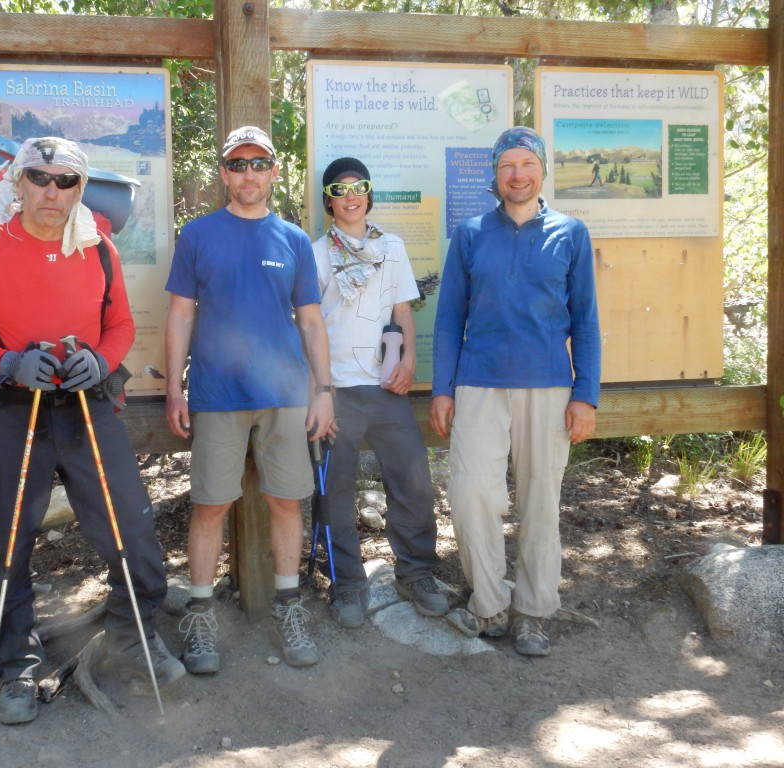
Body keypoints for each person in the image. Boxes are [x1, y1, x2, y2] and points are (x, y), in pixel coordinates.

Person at [0, 137, 184, 725]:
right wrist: (6, 362)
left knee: (130, 525)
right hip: (10, 407)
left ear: (80, 188)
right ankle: (15, 662)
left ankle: (131, 635)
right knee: (11, 539)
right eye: (40, 178)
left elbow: (120, 323)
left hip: (85, 405)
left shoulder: (97, 246)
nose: (53, 191)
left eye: (66, 181)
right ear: (18, 181)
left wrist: (100, 361)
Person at [164, 125, 334, 672]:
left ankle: (288, 606)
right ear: (224, 173)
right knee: (211, 504)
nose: (248, 174)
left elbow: (310, 321)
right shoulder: (197, 236)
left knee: (286, 501)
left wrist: (324, 391)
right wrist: (174, 385)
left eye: (259, 163)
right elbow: (181, 313)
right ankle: (199, 614)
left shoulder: (293, 240)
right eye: (238, 164)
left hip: (285, 393)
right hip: (216, 392)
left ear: (274, 172)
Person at [429, 126, 600, 657]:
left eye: (527, 164)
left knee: (540, 503)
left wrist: (585, 394)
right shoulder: (471, 233)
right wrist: (443, 388)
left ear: (542, 169)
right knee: (472, 495)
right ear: (495, 175)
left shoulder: (570, 234)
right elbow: (449, 316)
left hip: (549, 388)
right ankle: (490, 603)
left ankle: (533, 611)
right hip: (478, 384)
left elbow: (586, 321)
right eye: (507, 166)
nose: (518, 175)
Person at [311, 156, 446, 629]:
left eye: (360, 187)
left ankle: (417, 573)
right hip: (338, 391)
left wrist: (408, 360)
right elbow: (311, 326)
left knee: (412, 483)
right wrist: (319, 390)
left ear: (370, 195)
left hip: (386, 389)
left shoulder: (392, 247)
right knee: (336, 492)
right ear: (328, 200)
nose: (352, 196)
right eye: (341, 189)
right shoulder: (316, 254)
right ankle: (347, 583)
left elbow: (402, 311)